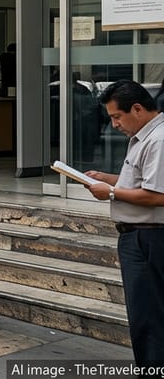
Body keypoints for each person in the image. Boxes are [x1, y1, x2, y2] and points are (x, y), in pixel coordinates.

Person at [84, 80, 164, 366]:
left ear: (138, 109)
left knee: (149, 317)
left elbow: (157, 195)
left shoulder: (158, 139)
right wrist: (108, 179)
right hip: (138, 236)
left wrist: (113, 192)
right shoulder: (143, 137)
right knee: (144, 314)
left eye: (117, 116)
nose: (115, 124)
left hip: (149, 237)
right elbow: (142, 182)